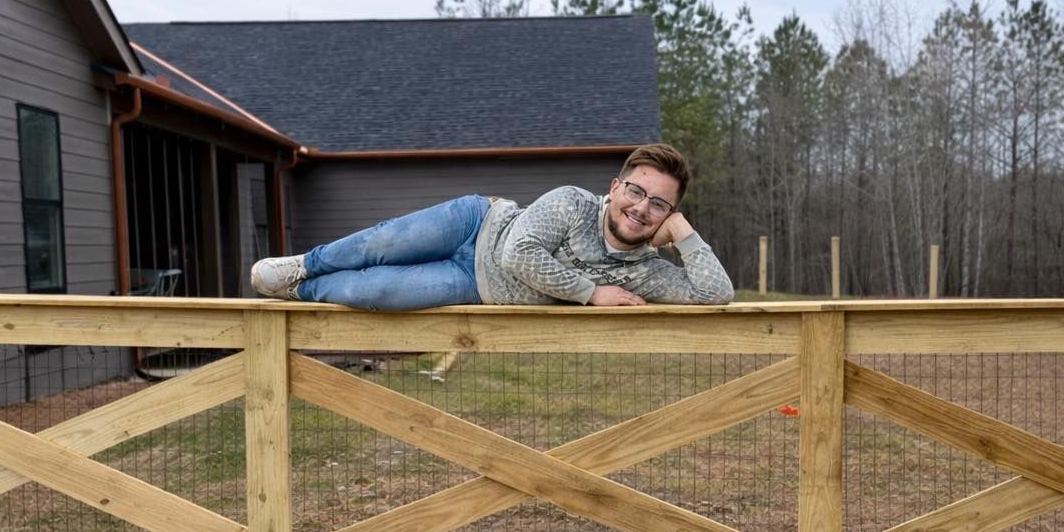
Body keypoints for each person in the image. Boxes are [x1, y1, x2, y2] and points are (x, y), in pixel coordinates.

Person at [251, 143, 734, 310]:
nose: (641, 208)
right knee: (381, 244)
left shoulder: (645, 272)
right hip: (476, 225)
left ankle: (303, 291)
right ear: (616, 186)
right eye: (635, 191)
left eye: (659, 204)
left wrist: (686, 235)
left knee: (373, 292)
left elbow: (716, 294)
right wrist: (592, 293)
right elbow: (517, 254)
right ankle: (304, 264)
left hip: (474, 284)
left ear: (667, 214)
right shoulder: (572, 202)